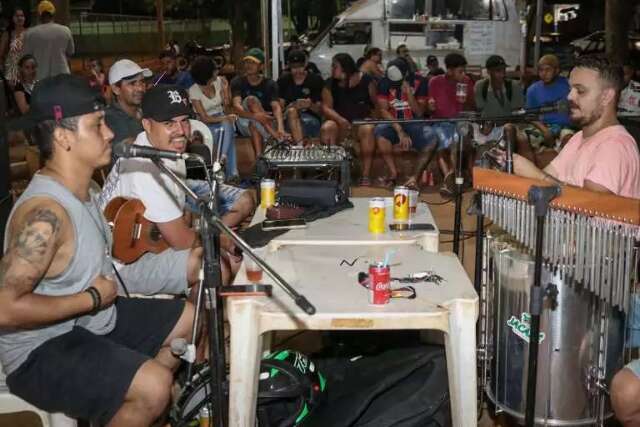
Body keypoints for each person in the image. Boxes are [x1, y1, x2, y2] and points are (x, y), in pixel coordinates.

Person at [0, 74, 195, 426]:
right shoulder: (44, 216)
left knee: (189, 319)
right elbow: (4, 308)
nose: (109, 134)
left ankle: (126, 413)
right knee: (155, 386)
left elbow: (110, 274)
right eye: (98, 125)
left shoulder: (85, 188)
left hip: (92, 320)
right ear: (63, 136)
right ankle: (141, 402)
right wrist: (89, 298)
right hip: (39, 349)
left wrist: (180, 264)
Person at [99, 85, 209, 292]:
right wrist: (220, 240)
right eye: (169, 123)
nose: (180, 131)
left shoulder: (165, 149)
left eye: (184, 120)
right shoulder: (145, 168)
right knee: (211, 264)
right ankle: (190, 320)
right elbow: (181, 241)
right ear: (147, 125)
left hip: (146, 244)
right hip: (119, 268)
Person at [512, 55, 639, 198]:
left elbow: (590, 207)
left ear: (606, 96)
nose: (570, 97)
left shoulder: (615, 146)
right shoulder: (578, 138)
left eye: (580, 91)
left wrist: (537, 175)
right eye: (570, 89)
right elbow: (548, 176)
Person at [374, 57, 437, 188]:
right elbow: (384, 111)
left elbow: (419, 112)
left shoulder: (420, 81)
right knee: (380, 130)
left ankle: (414, 178)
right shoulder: (384, 82)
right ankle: (393, 173)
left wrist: (409, 94)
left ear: (406, 74)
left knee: (432, 138)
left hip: (414, 122)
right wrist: (399, 130)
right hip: (393, 122)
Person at [320, 53, 377, 179]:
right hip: (340, 125)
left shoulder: (366, 80)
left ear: (345, 68)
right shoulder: (330, 83)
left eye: (335, 67)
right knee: (328, 127)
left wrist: (373, 118)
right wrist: (340, 120)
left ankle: (365, 175)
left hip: (360, 123)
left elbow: (375, 103)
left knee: (367, 128)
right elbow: (325, 107)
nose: (332, 69)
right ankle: (331, 172)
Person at [428, 52, 475, 195]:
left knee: (456, 142)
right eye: (460, 71)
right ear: (449, 70)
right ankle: (451, 178)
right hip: (440, 122)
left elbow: (473, 107)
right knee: (439, 142)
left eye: (464, 71)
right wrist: (430, 105)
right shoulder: (435, 82)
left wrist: (465, 101)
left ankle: (452, 180)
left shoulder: (466, 81)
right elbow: (428, 105)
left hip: (460, 122)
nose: (463, 74)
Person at [188, 55, 239, 180]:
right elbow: (204, 118)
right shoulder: (194, 90)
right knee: (227, 131)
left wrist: (226, 90)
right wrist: (223, 118)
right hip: (205, 123)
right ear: (207, 74)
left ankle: (222, 160)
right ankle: (232, 173)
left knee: (227, 126)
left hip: (221, 118)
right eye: (214, 70)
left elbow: (226, 107)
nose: (217, 71)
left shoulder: (219, 82)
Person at [231, 47, 289, 156]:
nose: (249, 65)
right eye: (247, 62)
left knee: (254, 126)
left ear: (261, 66)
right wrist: (256, 116)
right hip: (244, 119)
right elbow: (236, 107)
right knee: (251, 100)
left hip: (263, 123)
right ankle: (275, 137)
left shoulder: (270, 84)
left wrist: (281, 127)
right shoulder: (237, 81)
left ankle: (260, 160)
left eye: (253, 62)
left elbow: (276, 107)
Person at [517, 54, 572, 162]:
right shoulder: (533, 90)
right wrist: (545, 131)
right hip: (542, 127)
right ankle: (530, 172)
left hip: (565, 127)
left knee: (569, 139)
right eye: (541, 70)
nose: (544, 73)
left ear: (557, 70)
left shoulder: (568, 85)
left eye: (548, 70)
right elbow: (530, 115)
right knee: (523, 140)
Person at [105, 58, 152, 164]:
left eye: (142, 82)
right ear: (116, 89)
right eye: (132, 83)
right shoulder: (110, 120)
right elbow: (129, 148)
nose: (140, 88)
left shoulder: (145, 110)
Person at [277, 49, 324, 146]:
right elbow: (279, 107)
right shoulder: (284, 80)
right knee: (292, 112)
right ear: (289, 66)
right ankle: (300, 148)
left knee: (308, 123)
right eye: (294, 67)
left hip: (311, 117)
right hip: (289, 117)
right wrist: (291, 106)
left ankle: (301, 146)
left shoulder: (315, 80)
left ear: (305, 65)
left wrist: (310, 105)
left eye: (300, 67)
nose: (297, 70)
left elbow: (321, 110)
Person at [22, 1, 74, 80]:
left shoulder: (30, 33)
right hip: (62, 75)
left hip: (40, 77)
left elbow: (26, 57)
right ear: (53, 14)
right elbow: (70, 52)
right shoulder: (65, 30)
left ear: (39, 15)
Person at [0, 7, 28, 88]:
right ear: (12, 18)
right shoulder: (7, 34)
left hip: (27, 71)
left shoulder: (29, 33)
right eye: (17, 16)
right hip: (11, 72)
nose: (19, 18)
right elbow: (1, 54)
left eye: (22, 16)